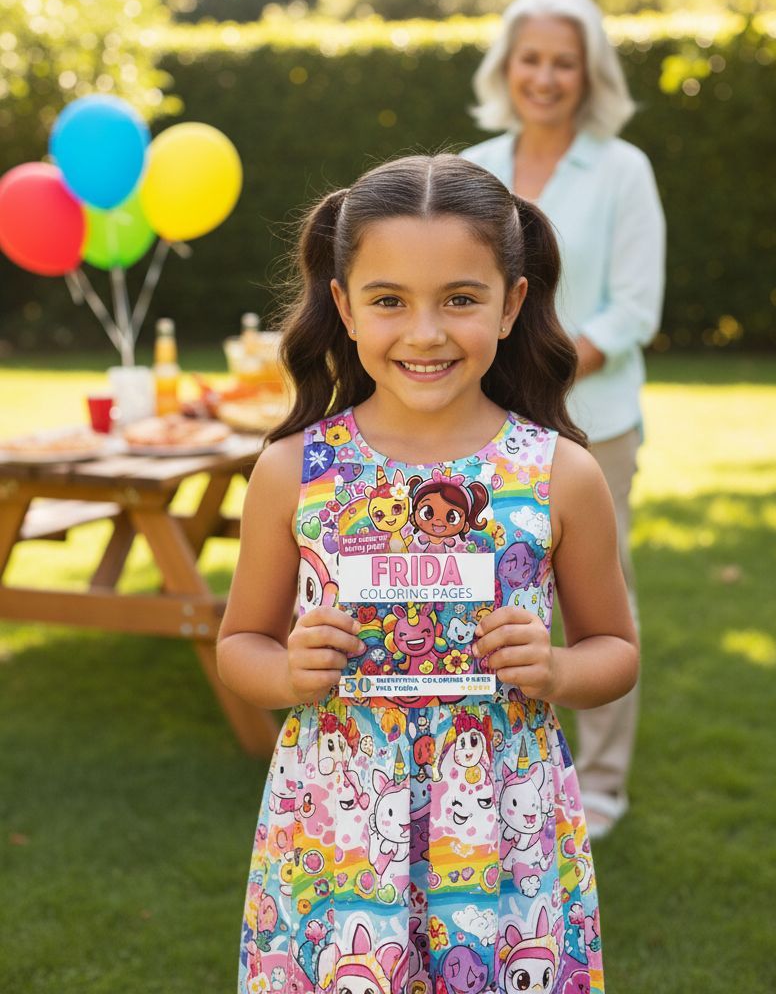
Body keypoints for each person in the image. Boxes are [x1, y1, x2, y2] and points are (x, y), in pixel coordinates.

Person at [217, 153, 638, 994]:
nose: (425, 332)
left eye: (460, 298)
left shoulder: (559, 473)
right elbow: (239, 643)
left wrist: (555, 667)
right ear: (343, 306)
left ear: (512, 303)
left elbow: (616, 651)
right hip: (336, 833)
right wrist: (287, 671)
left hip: (502, 836)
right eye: (388, 301)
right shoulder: (294, 470)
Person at [462, 0, 666, 839]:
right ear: (507, 68)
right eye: (530, 59)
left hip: (593, 420)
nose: (544, 77)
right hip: (485, 415)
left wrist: (542, 359)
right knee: (488, 585)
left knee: (596, 599)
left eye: (563, 62)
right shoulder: (472, 166)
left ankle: (603, 783)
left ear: (589, 77)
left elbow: (634, 309)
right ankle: (487, 768)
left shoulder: (623, 169)